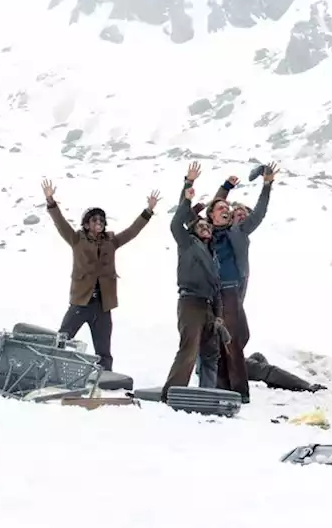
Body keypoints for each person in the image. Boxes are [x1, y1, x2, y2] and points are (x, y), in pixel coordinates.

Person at [40, 178, 159, 372]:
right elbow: (60, 223)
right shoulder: (76, 239)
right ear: (86, 224)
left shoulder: (111, 242)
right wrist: (50, 201)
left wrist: (148, 211)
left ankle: (105, 379)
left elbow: (132, 231)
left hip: (103, 305)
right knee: (62, 338)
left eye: (102, 220)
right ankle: (49, 370)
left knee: (104, 349)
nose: (99, 223)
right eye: (95, 220)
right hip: (81, 301)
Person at [205, 164, 277, 402]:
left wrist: (267, 185)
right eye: (221, 209)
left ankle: (233, 386)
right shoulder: (203, 232)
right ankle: (233, 388)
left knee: (237, 337)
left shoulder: (238, 231)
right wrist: (225, 188)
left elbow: (259, 213)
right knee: (228, 339)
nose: (225, 211)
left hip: (230, 291)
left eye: (228, 209)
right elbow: (213, 206)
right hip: (212, 293)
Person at [163, 162, 225, 401]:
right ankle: (171, 393)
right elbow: (176, 222)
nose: (205, 227)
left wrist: (218, 313)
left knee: (211, 353)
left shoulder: (213, 255)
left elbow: (217, 287)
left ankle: (207, 394)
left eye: (207, 225)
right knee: (188, 350)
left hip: (209, 305)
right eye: (200, 225)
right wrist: (188, 188)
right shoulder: (187, 243)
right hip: (190, 302)